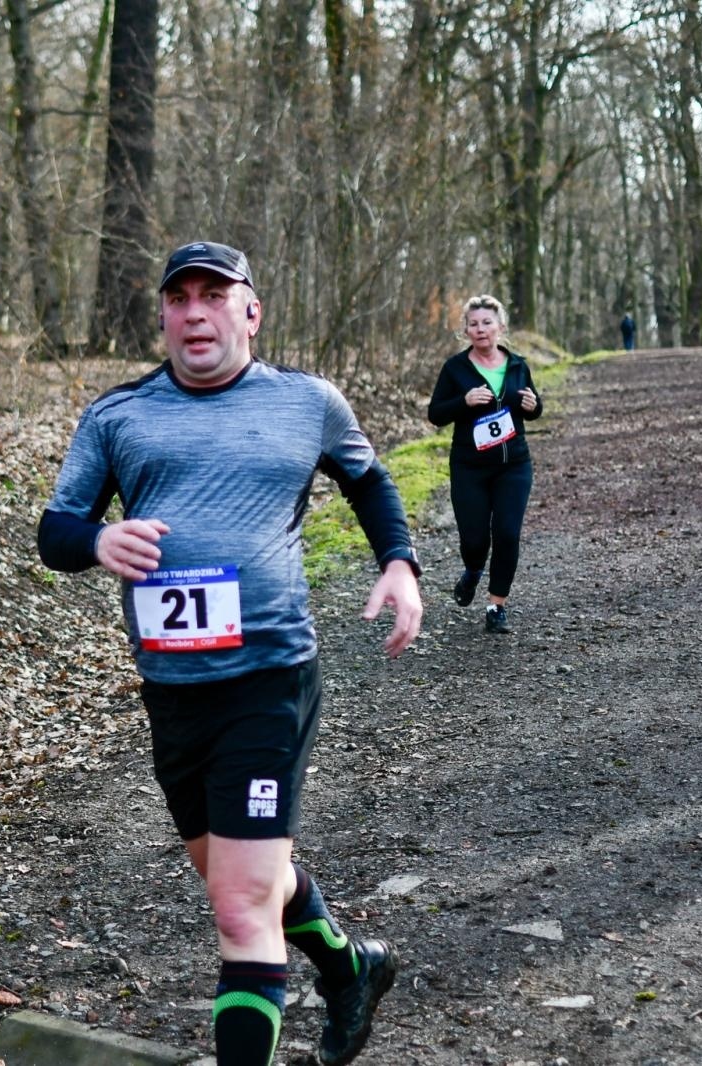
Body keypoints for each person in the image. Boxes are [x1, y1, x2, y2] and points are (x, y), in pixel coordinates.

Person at [37, 240, 423, 1066]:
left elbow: (369, 481)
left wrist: (399, 563)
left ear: (251, 312)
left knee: (241, 909)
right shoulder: (119, 415)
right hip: (173, 690)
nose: (195, 313)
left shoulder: (306, 402)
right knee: (245, 880)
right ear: (163, 317)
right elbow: (55, 530)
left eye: (214, 296)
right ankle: (351, 969)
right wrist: (98, 540)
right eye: (179, 298)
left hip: (269, 681)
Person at [426, 294, 541, 635]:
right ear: (465, 330)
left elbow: (533, 407)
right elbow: (435, 414)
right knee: (475, 539)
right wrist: (464, 401)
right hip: (470, 468)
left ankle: (496, 606)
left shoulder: (518, 365)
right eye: (473, 324)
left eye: (487, 322)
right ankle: (473, 570)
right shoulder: (455, 369)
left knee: (507, 533)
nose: (480, 329)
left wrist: (535, 406)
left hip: (513, 465)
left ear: (500, 327)